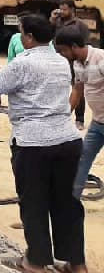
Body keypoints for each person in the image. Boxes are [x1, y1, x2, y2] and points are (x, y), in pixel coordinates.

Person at [0, 14, 85, 273]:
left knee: (34, 204)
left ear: (28, 37)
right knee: (67, 204)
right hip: (67, 140)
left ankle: (35, 262)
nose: (19, 37)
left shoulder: (22, 62)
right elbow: (22, 83)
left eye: (20, 32)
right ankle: (76, 263)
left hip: (33, 144)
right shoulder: (61, 61)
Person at [54, 25, 104, 201]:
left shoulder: (101, 59)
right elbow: (77, 89)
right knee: (82, 159)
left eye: (63, 50)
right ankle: (72, 202)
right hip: (98, 124)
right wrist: (64, 114)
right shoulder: (77, 64)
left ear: (74, 46)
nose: (62, 55)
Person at [52, 0, 89, 129]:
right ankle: (59, 117)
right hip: (59, 60)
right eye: (60, 9)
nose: (61, 12)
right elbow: (46, 35)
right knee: (58, 87)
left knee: (78, 88)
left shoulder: (80, 25)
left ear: (72, 10)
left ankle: (79, 119)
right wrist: (51, 20)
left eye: (64, 9)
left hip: (75, 61)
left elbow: (83, 44)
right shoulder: (57, 22)